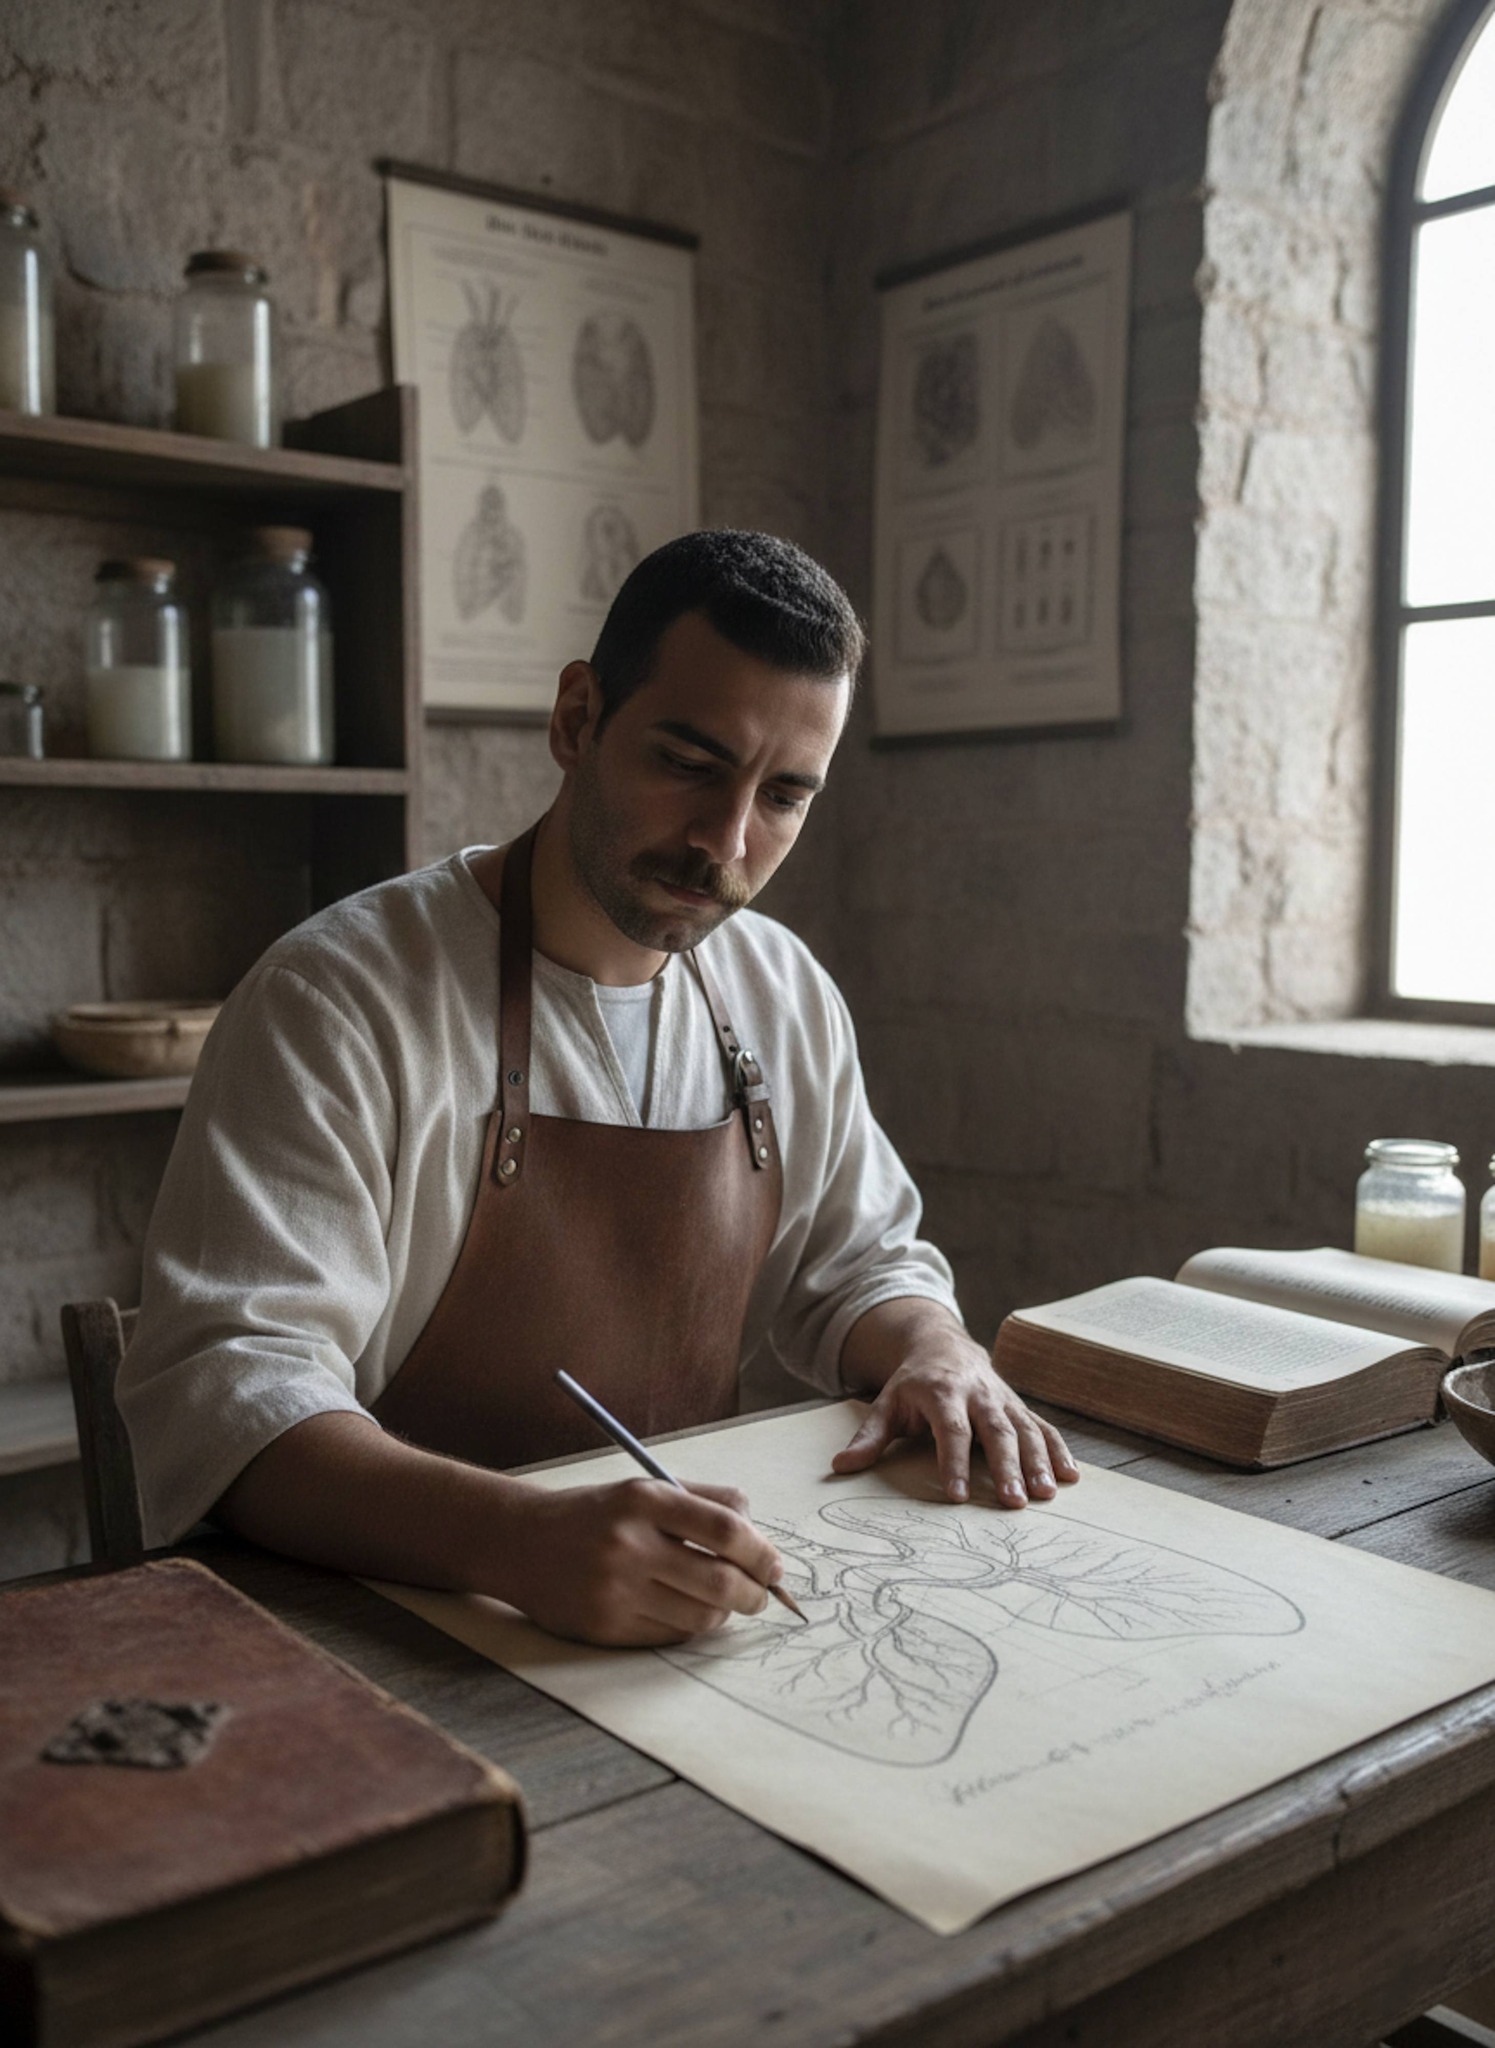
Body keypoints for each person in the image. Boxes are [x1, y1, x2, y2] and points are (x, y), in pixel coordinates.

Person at [118, 530, 1077, 1647]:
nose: (726, 840)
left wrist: (930, 1344)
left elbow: (857, 1262)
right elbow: (235, 1388)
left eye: (782, 796)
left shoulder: (779, 989)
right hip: (385, 1618)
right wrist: (514, 1538)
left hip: (663, 1612)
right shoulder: (340, 998)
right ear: (577, 719)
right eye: (689, 763)